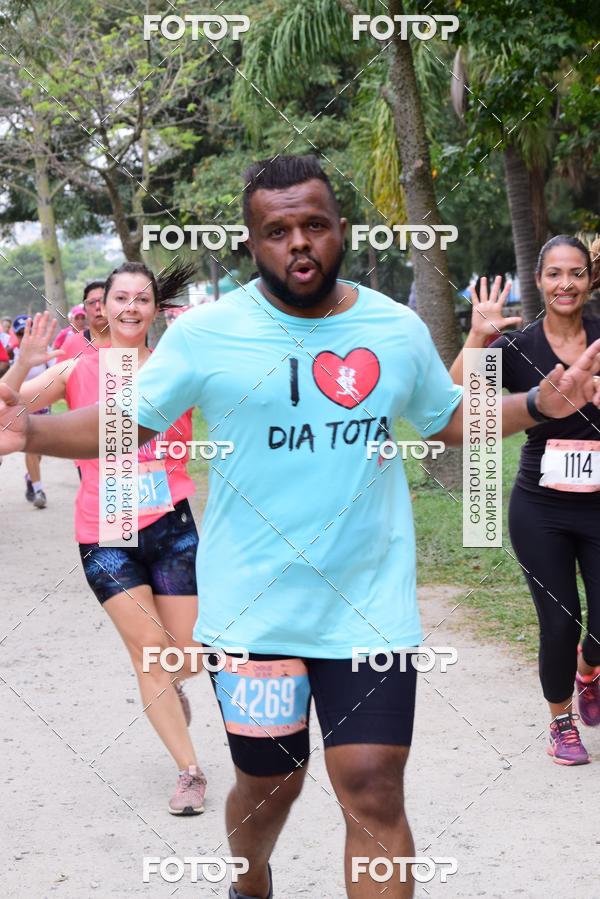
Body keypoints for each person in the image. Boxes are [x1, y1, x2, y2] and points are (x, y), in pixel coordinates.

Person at [2, 157, 600, 899]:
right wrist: (30, 426)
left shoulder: (392, 326)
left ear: (338, 229)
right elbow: (124, 422)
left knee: (374, 786)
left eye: (313, 224)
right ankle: (248, 879)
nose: (299, 243)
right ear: (252, 243)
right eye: (277, 230)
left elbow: (446, 417)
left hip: (367, 607)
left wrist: (537, 406)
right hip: (256, 611)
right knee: (269, 784)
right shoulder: (209, 335)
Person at [0, 262, 208, 815]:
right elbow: (6, 422)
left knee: (187, 655)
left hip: (170, 523)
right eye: (121, 297)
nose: (130, 307)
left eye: (143, 298)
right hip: (104, 530)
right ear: (103, 307)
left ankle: (175, 682)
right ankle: (190, 772)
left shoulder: (177, 368)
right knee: (149, 655)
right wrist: (22, 364)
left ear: (156, 309)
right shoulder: (75, 369)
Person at [450, 237, 600, 766]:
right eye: (555, 274)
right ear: (538, 281)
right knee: (559, 620)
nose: (566, 284)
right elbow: (455, 404)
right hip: (541, 508)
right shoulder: (518, 349)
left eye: (576, 274)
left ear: (589, 280)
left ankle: (588, 670)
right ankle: (560, 721)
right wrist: (475, 335)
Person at [9, 313, 62, 508]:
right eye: (20, 333)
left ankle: (29, 477)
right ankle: (39, 490)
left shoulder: (47, 352)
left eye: (27, 331)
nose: (25, 336)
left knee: (39, 449)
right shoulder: (15, 355)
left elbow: (56, 377)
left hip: (43, 406)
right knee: (31, 447)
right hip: (23, 407)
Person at [60, 280, 110, 359]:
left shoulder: (129, 340)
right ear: (85, 310)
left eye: (103, 301)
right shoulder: (71, 344)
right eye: (91, 302)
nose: (98, 306)